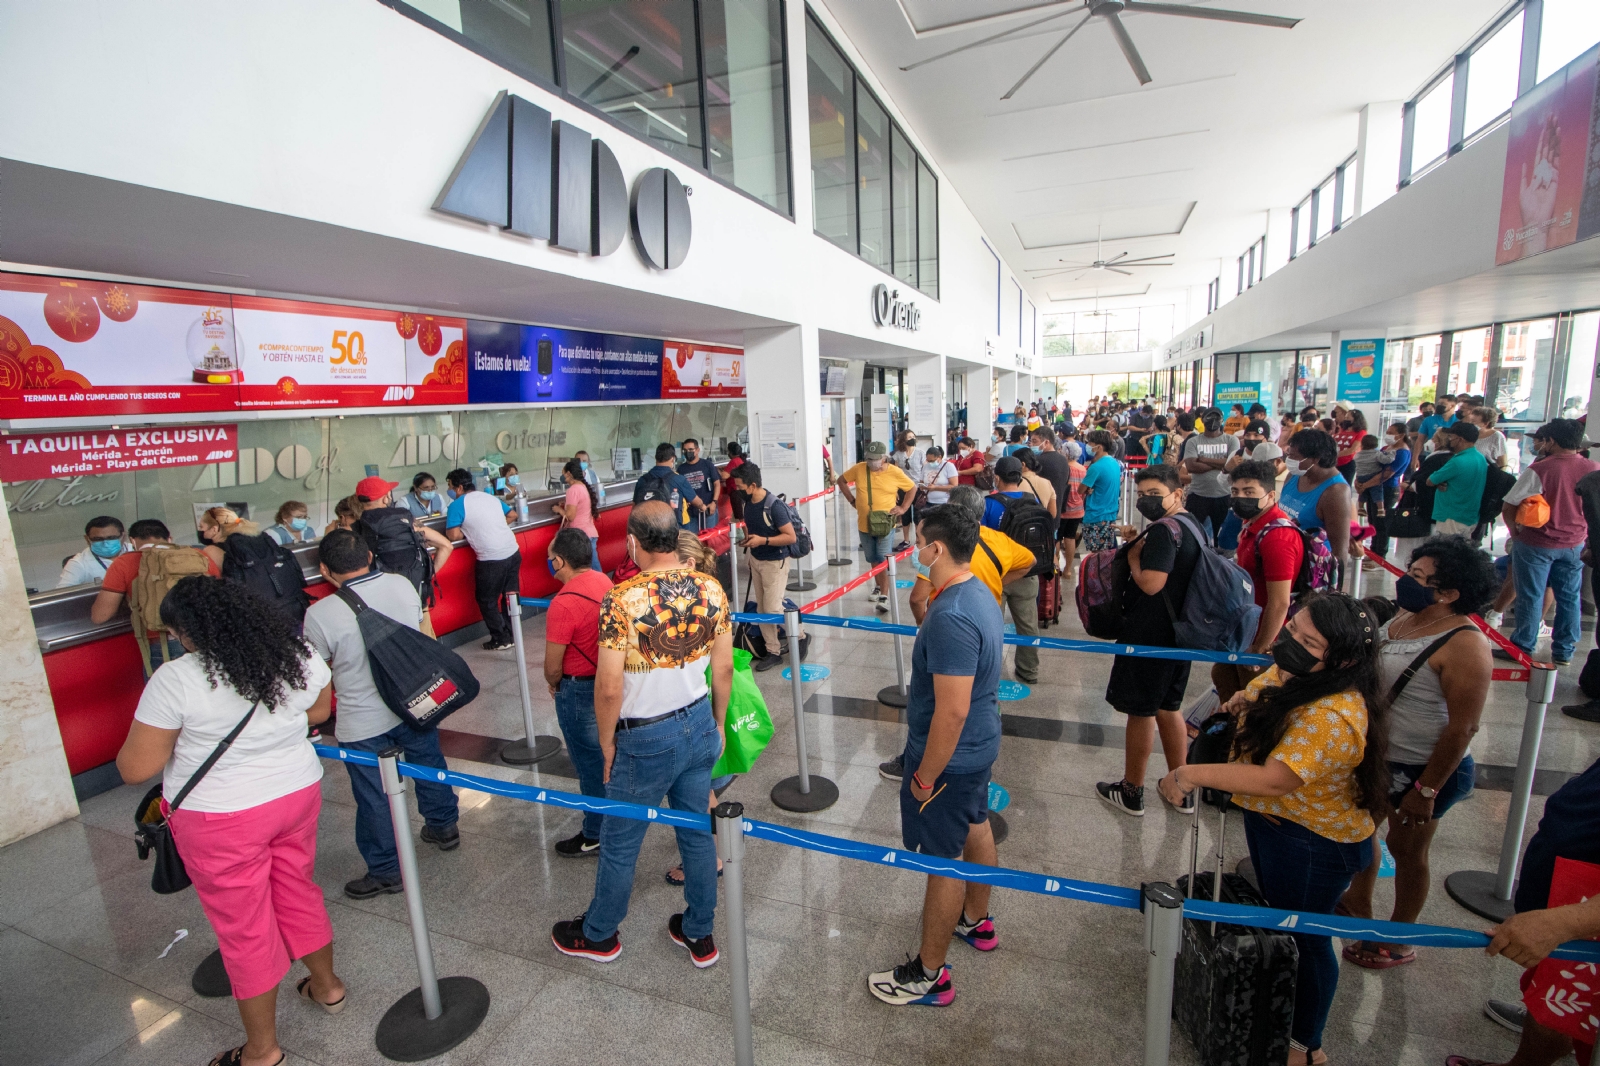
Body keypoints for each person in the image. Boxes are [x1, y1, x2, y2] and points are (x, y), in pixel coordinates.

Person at [116, 576, 344, 1066]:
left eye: (178, 633)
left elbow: (134, 768)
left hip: (222, 817)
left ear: (189, 633)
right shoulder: (296, 653)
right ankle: (327, 987)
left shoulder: (176, 679)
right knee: (298, 889)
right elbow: (320, 710)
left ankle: (261, 1051)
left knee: (245, 927)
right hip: (296, 792)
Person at [1158, 594, 1388, 1066]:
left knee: (1307, 934)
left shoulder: (1332, 715)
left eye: (1309, 642)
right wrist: (1247, 696)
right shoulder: (1299, 674)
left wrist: (1189, 774)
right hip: (1279, 825)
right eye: (1293, 630)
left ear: (1342, 659)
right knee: (1286, 920)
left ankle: (1306, 1045)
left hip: (1312, 843)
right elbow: (1268, 682)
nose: (1292, 645)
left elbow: (1276, 779)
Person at [550, 501, 732, 967]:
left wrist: (608, 741)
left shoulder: (622, 599)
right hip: (696, 723)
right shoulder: (710, 586)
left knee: (620, 841)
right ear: (676, 536)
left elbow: (609, 687)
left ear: (632, 541)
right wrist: (717, 722)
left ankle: (599, 934)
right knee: (694, 831)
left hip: (644, 738)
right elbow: (724, 666)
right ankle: (699, 933)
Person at [1337, 536, 1495, 968]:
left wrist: (1426, 790)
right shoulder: (1408, 616)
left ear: (1449, 595)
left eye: (1421, 579)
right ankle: (1359, 901)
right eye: (1411, 572)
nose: (1408, 582)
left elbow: (1463, 727)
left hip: (1423, 766)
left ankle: (1400, 934)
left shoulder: (1466, 645)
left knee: (1407, 850)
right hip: (1378, 755)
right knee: (1361, 830)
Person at [868, 504, 1003, 1006]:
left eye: (918, 539)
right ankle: (975, 920)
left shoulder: (951, 616)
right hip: (979, 747)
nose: (913, 548)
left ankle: (929, 974)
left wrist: (925, 776)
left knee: (943, 860)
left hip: (952, 756)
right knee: (975, 822)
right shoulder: (976, 590)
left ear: (937, 549)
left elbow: (951, 712)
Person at [302, 530, 461, 899]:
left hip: (362, 721)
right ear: (370, 555)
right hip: (414, 703)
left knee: (373, 796)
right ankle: (444, 826)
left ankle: (387, 870)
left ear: (325, 569)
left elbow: (318, 675)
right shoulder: (402, 584)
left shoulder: (319, 614)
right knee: (429, 764)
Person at [1450, 755, 1600, 1066]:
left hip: (1583, 921)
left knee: (1562, 1007)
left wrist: (1567, 922)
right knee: (1553, 1002)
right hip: (1571, 892)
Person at [1096, 464, 1203, 817]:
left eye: (1154, 494)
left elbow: (1152, 584)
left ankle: (1131, 791)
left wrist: (1133, 557)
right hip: (1180, 632)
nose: (1146, 501)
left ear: (1177, 494)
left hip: (1150, 634)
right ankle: (1181, 787)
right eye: (1141, 494)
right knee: (1169, 708)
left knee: (1140, 712)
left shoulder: (1162, 532)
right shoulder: (1193, 525)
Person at [1501, 419, 1598, 666]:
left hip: (1536, 543)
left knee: (1531, 595)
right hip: (1575, 544)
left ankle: (1523, 646)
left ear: (1551, 441)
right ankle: (1564, 651)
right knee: (1569, 597)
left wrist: (1515, 532)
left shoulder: (1541, 469)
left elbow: (1510, 503)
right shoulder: (1593, 467)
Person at [543, 526, 614, 858]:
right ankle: (615, 821)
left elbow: (552, 666)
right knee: (607, 758)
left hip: (579, 691)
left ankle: (595, 833)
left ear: (559, 561)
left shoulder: (563, 602)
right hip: (608, 683)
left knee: (588, 765)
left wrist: (554, 682)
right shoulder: (604, 582)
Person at [1219, 460, 1305, 700]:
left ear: (1270, 496)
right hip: (1245, 630)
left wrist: (1260, 648)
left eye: (1249, 492)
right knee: (1225, 681)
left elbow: (1279, 602)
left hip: (1264, 639)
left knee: (1251, 703)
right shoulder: (1252, 524)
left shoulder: (1278, 537)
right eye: (1235, 492)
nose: (1239, 498)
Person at [91, 518, 220, 673]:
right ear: (168, 537)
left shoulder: (124, 563)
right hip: (207, 637)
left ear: (132, 540)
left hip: (164, 645)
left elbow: (100, 616)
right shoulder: (197, 555)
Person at [732, 463, 805, 672]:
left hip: (775, 562)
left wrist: (762, 541)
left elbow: (789, 537)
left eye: (740, 486)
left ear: (752, 485)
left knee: (773, 607)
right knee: (763, 609)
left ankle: (801, 634)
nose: (738, 491)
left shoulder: (774, 506)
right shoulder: (748, 504)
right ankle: (773, 651)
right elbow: (753, 530)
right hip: (756, 560)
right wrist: (748, 543)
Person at [981, 457, 1044, 686]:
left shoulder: (989, 503)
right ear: (1020, 475)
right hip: (1028, 571)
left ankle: (989, 672)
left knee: (991, 626)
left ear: (997, 476)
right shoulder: (1033, 501)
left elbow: (981, 540)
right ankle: (1029, 671)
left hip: (997, 574)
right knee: (1028, 625)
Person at [443, 466, 522, 651]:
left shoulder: (457, 505)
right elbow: (513, 514)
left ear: (459, 487)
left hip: (492, 558)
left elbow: (453, 535)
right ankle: (513, 633)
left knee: (487, 600)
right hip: (513, 551)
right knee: (510, 596)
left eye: (450, 486)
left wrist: (472, 531)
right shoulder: (489, 497)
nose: (449, 490)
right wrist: (491, 526)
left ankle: (501, 638)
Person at [837, 440, 916, 612]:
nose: (872, 462)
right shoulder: (859, 469)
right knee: (872, 558)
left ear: (884, 458)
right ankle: (878, 586)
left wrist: (903, 508)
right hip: (864, 523)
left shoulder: (895, 472)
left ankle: (884, 596)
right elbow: (841, 480)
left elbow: (912, 488)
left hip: (885, 524)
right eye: (869, 458)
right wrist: (852, 500)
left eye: (875, 459)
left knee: (883, 558)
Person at [1281, 429, 1352, 561]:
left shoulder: (1336, 492)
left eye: (1294, 457)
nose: (1288, 460)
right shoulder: (1295, 475)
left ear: (1315, 459)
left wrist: (1335, 579)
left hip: (1313, 565)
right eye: (1288, 455)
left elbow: (1339, 549)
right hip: (1288, 555)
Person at [1180, 407, 1239, 540]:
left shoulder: (1231, 440)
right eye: (1209, 417)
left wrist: (1203, 459)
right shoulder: (1193, 441)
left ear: (1222, 420)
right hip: (1197, 495)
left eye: (1216, 417)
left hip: (1224, 494)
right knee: (1192, 534)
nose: (1213, 421)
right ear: (1202, 420)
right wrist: (1222, 464)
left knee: (1221, 536)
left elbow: (1233, 464)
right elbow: (1191, 466)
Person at [1359, 424, 1412, 563]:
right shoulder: (1384, 449)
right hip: (1372, 487)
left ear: (1401, 435)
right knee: (1373, 521)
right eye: (1387, 432)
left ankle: (1379, 556)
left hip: (1387, 490)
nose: (1387, 435)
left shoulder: (1402, 452)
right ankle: (1372, 552)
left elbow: (1387, 474)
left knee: (1382, 524)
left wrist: (1365, 485)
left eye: (1391, 432)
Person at [1428, 421, 1489, 538]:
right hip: (1470, 515)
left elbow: (1430, 481)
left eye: (1451, 437)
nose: (1449, 440)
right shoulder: (1480, 457)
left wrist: (1439, 481)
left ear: (1460, 439)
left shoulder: (1457, 461)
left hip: (1451, 517)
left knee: (1447, 553)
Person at [1079, 429, 1124, 553]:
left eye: (1090, 443)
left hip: (1096, 515)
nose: (1087, 446)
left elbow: (1080, 489)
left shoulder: (1096, 467)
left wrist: (1087, 489)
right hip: (1110, 513)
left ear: (1098, 447)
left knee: (1099, 557)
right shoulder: (1114, 463)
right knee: (1108, 553)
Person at [635, 442, 699, 529]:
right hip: (674, 528)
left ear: (656, 458)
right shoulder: (679, 479)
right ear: (673, 459)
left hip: (649, 529)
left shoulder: (643, 480)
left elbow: (635, 508)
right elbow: (696, 501)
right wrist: (703, 506)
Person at [552, 458, 602, 569]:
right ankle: (603, 585)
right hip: (590, 533)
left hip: (580, 536)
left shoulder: (572, 490)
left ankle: (603, 586)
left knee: (588, 568)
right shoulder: (582, 487)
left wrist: (559, 510)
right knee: (594, 566)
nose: (563, 476)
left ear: (569, 474)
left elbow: (570, 516)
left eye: (563, 473)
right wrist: (566, 503)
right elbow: (580, 505)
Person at [58, 515, 126, 587]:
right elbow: (62, 594)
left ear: (123, 536)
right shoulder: (78, 563)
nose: (105, 543)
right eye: (98, 539)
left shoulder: (135, 551)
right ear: (87, 539)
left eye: (111, 538)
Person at [677, 437, 722, 532]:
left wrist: (714, 502)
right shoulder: (681, 469)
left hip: (708, 508)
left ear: (697, 450)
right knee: (693, 540)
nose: (687, 452)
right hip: (690, 513)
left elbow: (717, 484)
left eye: (690, 449)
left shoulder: (707, 465)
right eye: (685, 450)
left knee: (711, 539)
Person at [892, 430, 927, 549]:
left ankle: (918, 540)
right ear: (904, 439)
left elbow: (924, 470)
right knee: (904, 514)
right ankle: (906, 540)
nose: (912, 438)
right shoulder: (898, 454)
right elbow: (895, 472)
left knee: (918, 515)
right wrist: (895, 489)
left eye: (913, 436)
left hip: (917, 487)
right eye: (909, 437)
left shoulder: (921, 453)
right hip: (903, 488)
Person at [1467, 405, 1510, 470]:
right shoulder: (1469, 434)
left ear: (1485, 423)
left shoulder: (1497, 437)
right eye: (1470, 421)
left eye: (1473, 422)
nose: (1470, 424)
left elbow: (1503, 463)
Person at [1333, 408, 1367, 486]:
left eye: (1348, 418)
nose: (1346, 419)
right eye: (1346, 417)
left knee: (1345, 485)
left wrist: (1335, 454)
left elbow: (1352, 449)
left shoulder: (1361, 432)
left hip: (1348, 462)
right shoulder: (1342, 430)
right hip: (1335, 462)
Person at [720, 442, 747, 520]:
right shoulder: (741, 460)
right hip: (742, 492)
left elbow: (724, 476)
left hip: (736, 492)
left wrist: (718, 471)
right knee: (742, 516)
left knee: (741, 518)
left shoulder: (734, 461)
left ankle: (747, 532)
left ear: (730, 452)